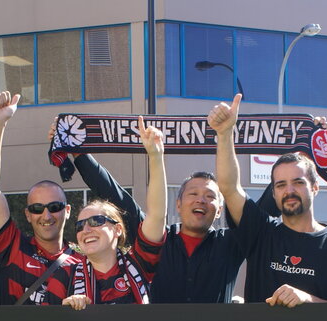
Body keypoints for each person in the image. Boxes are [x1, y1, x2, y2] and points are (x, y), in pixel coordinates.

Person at [52, 122, 244, 303]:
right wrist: (77, 151)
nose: (200, 199)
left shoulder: (232, 242)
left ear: (219, 210)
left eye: (210, 196)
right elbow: (115, 195)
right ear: (177, 204)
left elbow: (255, 205)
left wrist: (226, 134)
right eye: (193, 193)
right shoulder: (156, 240)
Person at [208, 94, 327, 306]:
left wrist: (308, 300)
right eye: (281, 185)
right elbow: (229, 188)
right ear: (273, 193)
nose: (289, 190)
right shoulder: (261, 233)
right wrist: (225, 133)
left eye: (298, 182)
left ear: (315, 187)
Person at [0, 91, 80, 305]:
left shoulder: (83, 261)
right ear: (28, 214)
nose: (46, 215)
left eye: (54, 206)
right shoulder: (12, 248)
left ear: (67, 210)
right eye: (37, 208)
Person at [60, 117, 167, 308]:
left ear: (118, 229)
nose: (86, 229)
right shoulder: (66, 275)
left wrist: (156, 156)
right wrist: (68, 307)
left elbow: (157, 215)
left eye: (96, 221)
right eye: (79, 225)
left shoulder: (139, 264)